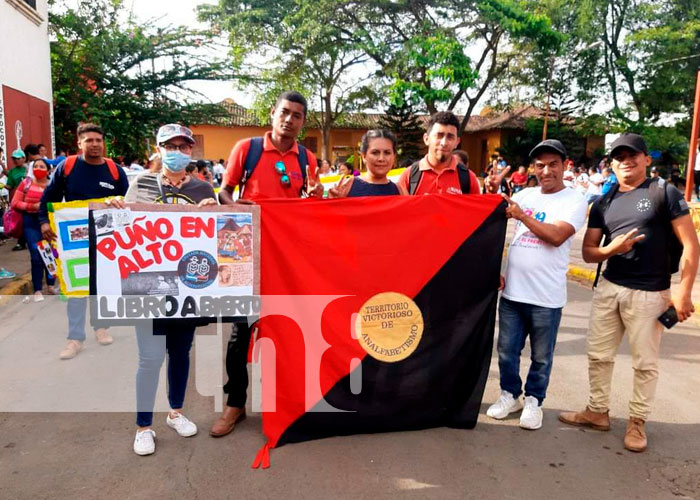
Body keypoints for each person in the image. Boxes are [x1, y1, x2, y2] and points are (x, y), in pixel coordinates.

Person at [559, 133, 699, 453]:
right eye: (619, 156)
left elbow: (691, 244)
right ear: (611, 163)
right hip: (609, 287)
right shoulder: (605, 201)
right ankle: (597, 411)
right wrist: (613, 248)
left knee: (644, 363)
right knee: (598, 355)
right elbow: (590, 251)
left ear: (646, 159)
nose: (626, 161)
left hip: (650, 294)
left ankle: (637, 421)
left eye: (632, 155)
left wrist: (684, 292)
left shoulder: (663, 192)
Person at [212, 90, 322, 437]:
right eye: (285, 112)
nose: (289, 120)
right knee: (240, 333)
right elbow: (224, 192)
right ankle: (235, 404)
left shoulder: (307, 158)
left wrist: (315, 199)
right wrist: (242, 210)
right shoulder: (247, 149)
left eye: (297, 116)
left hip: (288, 257)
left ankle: (288, 404)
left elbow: (309, 203)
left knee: (288, 330)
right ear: (273, 113)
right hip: (247, 255)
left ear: (303, 123)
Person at [110, 123, 217, 456]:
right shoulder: (138, 185)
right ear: (157, 149)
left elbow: (215, 239)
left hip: (187, 289)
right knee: (150, 358)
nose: (177, 152)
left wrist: (216, 215)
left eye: (184, 146)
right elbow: (121, 231)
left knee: (181, 353)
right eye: (170, 145)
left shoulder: (202, 189)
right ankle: (144, 426)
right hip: (148, 288)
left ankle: (176, 412)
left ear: (191, 152)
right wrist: (114, 211)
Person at [486, 139, 587, 430]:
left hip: (547, 297)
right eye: (540, 165)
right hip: (513, 293)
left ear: (565, 166)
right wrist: (492, 191)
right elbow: (491, 218)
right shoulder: (526, 194)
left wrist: (522, 216)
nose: (546, 170)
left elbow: (556, 236)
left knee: (541, 357)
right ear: (534, 168)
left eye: (553, 164)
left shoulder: (575, 200)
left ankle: (534, 401)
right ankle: (509, 395)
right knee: (506, 351)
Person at [39, 123, 129, 360]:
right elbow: (49, 198)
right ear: (79, 144)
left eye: (98, 140)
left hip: (108, 238)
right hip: (74, 239)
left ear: (103, 143)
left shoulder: (114, 170)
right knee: (76, 286)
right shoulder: (67, 167)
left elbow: (129, 201)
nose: (95, 144)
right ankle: (74, 338)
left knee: (101, 284)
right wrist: (44, 222)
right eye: (89, 140)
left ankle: (101, 328)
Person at [398, 111, 482, 195]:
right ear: (426, 139)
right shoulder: (409, 176)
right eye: (439, 135)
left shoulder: (468, 179)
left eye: (450, 137)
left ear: (457, 142)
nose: (444, 143)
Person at [10, 159, 57, 301]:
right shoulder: (26, 183)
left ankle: (50, 284)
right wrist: (32, 207)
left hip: (50, 223)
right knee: (36, 255)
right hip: (30, 222)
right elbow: (15, 203)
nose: (38, 168)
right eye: (35, 166)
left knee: (50, 254)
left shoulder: (53, 185)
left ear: (48, 170)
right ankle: (37, 289)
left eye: (41, 166)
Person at [329, 129, 406, 198]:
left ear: (394, 157)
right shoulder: (347, 186)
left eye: (387, 153)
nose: (381, 158)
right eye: (375, 153)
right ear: (364, 156)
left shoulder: (400, 191)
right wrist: (335, 202)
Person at [6, 149, 28, 251]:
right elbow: (10, 186)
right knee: (21, 221)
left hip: (31, 198)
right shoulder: (12, 172)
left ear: (24, 158)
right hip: (19, 200)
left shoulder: (29, 168)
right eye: (14, 159)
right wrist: (2, 186)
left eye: (18, 158)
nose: (15, 161)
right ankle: (21, 242)